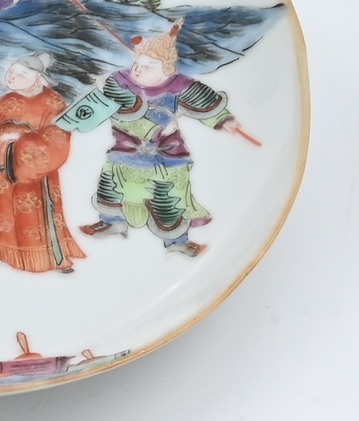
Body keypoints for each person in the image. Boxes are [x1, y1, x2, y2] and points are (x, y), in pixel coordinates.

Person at [81, 20, 255, 258]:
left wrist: (224, 121)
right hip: (125, 150)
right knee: (110, 186)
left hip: (165, 155)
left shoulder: (178, 87)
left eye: (148, 66)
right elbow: (99, 105)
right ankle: (112, 222)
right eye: (137, 64)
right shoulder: (120, 83)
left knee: (166, 201)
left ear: (166, 69)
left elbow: (206, 104)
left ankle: (176, 242)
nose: (138, 70)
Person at [0, 52, 80, 273]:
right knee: (1, 214)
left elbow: (57, 139)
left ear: (38, 79)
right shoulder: (5, 101)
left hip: (31, 171)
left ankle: (50, 259)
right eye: (12, 71)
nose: (11, 77)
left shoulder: (53, 102)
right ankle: (5, 251)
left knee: (34, 217)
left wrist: (20, 146)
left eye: (21, 74)